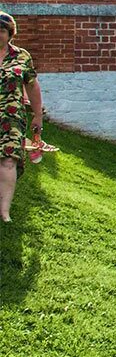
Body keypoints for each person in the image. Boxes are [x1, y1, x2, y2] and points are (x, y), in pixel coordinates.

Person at [0, 13, 43, 223]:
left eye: (1, 31)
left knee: (9, 161)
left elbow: (32, 86)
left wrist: (37, 116)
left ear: (9, 34)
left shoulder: (21, 57)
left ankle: (4, 211)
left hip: (12, 117)